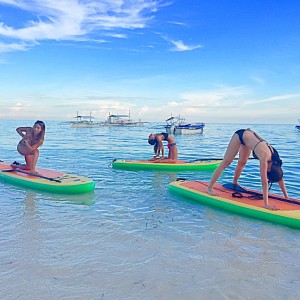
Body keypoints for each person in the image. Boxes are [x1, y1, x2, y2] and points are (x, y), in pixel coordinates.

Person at [206, 128, 288, 210]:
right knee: (226, 163)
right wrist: (266, 204)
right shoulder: (264, 157)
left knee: (242, 163)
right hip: (240, 136)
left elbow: (280, 177)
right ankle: (209, 188)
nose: (266, 171)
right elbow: (264, 182)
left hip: (248, 139)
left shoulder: (276, 160)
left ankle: (235, 182)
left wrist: (286, 197)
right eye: (268, 172)